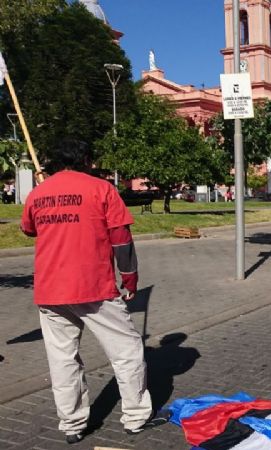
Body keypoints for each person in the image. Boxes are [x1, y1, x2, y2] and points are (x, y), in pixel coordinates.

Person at [19, 140, 168, 445]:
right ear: (86, 159)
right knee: (126, 351)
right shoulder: (101, 189)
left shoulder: (38, 193)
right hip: (94, 287)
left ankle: (72, 424)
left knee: (62, 360)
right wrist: (130, 278)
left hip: (50, 290)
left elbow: (29, 229)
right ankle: (136, 416)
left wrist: (44, 192)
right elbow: (121, 238)